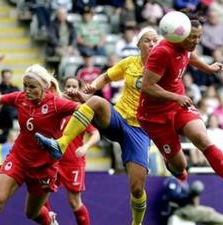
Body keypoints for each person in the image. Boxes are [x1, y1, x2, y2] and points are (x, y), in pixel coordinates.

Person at [35, 27, 160, 225]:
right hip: (118, 118)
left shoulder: (164, 69)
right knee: (96, 101)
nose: (152, 44)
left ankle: (136, 223)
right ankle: (61, 144)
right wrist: (93, 86)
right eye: (147, 41)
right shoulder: (129, 63)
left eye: (155, 41)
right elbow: (106, 77)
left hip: (140, 131)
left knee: (137, 188)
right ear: (138, 44)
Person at [137, 15, 223, 200]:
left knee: (203, 139)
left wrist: (208, 68)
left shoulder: (186, 46)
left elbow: (190, 56)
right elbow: (147, 87)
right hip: (154, 115)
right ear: (179, 35)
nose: (196, 41)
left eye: (199, 37)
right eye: (192, 37)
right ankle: (175, 169)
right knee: (180, 166)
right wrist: (176, 97)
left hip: (179, 105)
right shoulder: (162, 52)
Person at [0, 64, 79, 225]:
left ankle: (50, 221)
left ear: (45, 87)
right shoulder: (20, 97)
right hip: (19, 158)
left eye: (32, 87)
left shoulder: (57, 104)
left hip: (43, 167)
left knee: (32, 213)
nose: (27, 90)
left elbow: (86, 111)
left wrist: (85, 100)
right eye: (25, 86)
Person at [48, 76, 100, 225]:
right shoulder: (57, 107)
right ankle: (50, 219)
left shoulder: (81, 111)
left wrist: (85, 147)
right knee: (41, 193)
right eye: (68, 86)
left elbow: (96, 134)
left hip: (73, 162)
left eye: (74, 86)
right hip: (54, 160)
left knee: (74, 201)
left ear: (78, 89)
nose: (70, 89)